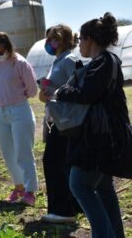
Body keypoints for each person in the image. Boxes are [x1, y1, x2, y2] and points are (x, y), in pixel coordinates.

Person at [47, 13, 126, 237]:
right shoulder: (102, 62)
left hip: (100, 137)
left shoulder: (104, 62)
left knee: (79, 185)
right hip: (102, 135)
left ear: (90, 40)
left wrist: (59, 92)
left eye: (81, 39)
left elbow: (87, 94)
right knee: (102, 187)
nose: (78, 43)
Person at [0, 32, 39, 206]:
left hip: (19, 111)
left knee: (23, 152)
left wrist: (17, 96)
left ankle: (30, 191)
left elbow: (32, 90)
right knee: (8, 153)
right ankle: (19, 187)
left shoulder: (20, 63)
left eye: (0, 51)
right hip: (1, 113)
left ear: (8, 47)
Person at [38, 24, 80, 223]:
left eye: (50, 39)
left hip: (66, 121)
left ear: (60, 40)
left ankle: (63, 211)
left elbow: (78, 89)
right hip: (57, 119)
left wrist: (53, 93)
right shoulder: (58, 61)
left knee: (54, 162)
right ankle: (72, 206)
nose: (47, 43)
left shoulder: (69, 60)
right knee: (61, 163)